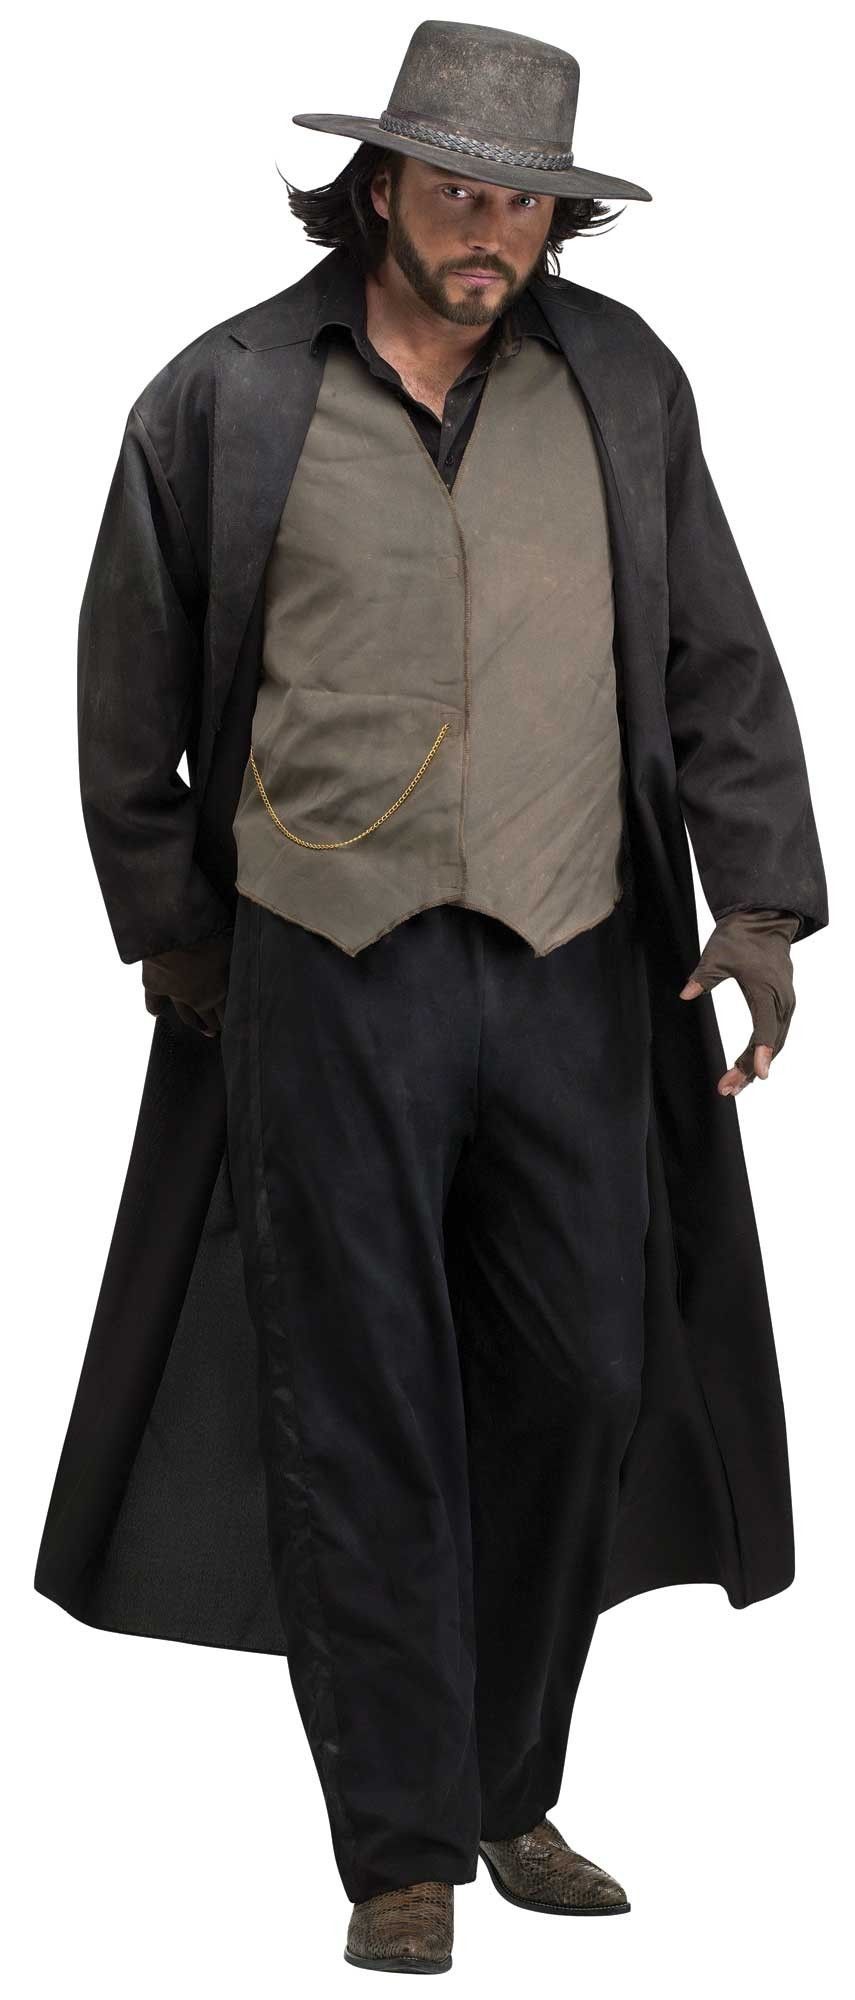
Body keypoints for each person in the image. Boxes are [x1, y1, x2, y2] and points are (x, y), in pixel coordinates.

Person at [34, 21, 828, 1977]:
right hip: (328, 975)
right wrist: (176, 931)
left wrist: (756, 908)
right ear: (379, 186)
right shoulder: (226, 397)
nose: (492, 235)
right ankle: (399, 1845)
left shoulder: (621, 384)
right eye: (460, 194)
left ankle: (498, 1779)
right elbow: (128, 691)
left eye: (525, 207)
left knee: (585, 1376)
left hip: (573, 964)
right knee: (363, 1398)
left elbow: (715, 656)